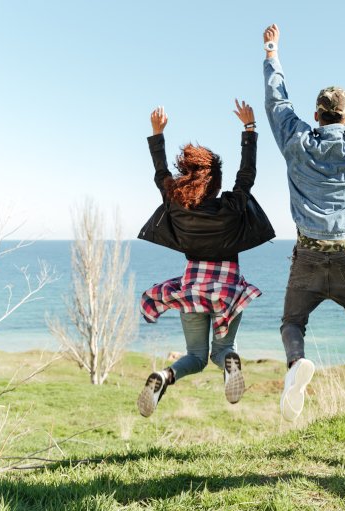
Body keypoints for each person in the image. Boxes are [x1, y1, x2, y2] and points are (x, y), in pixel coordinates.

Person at [262, 23, 345, 421]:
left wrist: (272, 52)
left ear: (317, 114)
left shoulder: (297, 140)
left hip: (307, 253)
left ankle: (296, 365)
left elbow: (277, 103)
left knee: (292, 322)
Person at [137, 101, 266, 417]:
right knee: (221, 351)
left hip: (193, 286)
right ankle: (229, 363)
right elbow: (247, 173)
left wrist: (157, 133)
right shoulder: (232, 205)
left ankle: (165, 376)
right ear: (217, 183)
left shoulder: (177, 205)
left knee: (195, 355)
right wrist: (249, 130)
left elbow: (161, 173)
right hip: (227, 287)